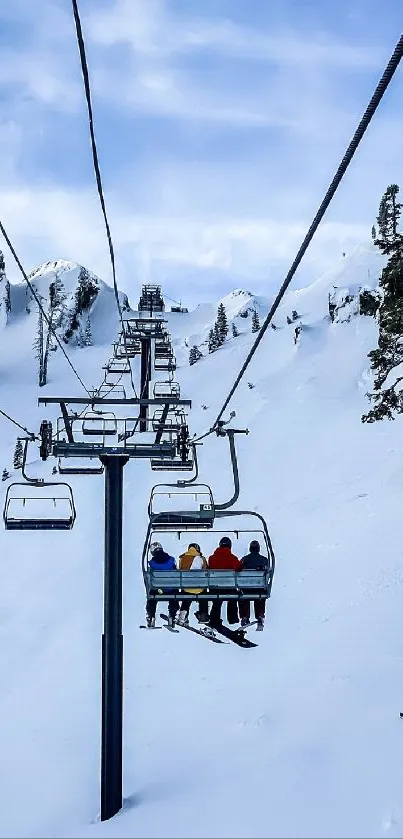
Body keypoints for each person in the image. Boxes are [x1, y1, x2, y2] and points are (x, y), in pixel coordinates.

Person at [208, 536, 242, 625]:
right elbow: (239, 568)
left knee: (217, 602)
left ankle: (214, 619)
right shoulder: (233, 558)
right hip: (229, 587)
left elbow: (209, 569)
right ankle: (233, 618)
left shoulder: (212, 558)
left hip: (215, 588)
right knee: (232, 598)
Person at [146, 541, 178, 627]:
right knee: (174, 593)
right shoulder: (171, 560)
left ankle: (151, 615)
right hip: (170, 590)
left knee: (151, 595)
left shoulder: (151, 563)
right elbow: (176, 573)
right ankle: (172, 615)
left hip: (158, 590)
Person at [177, 543, 209, 624]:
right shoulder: (202, 559)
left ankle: (183, 613)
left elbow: (180, 571)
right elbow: (206, 571)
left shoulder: (182, 558)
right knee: (203, 593)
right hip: (199, 588)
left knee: (187, 592)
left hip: (187, 587)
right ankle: (203, 615)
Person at [238, 540, 269, 628]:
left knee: (243, 597)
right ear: (258, 549)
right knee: (260, 597)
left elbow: (238, 570)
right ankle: (260, 615)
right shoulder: (264, 560)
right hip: (259, 587)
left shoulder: (244, 559)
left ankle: (244, 617)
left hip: (246, 588)